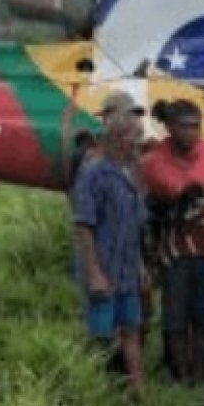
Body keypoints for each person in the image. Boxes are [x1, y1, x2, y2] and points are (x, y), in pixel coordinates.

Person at [140, 98, 204, 383]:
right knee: (175, 317)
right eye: (185, 126)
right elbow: (151, 205)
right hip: (172, 250)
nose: (192, 132)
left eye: (196, 126)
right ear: (169, 127)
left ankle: (199, 376)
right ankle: (179, 376)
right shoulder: (153, 161)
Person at [71, 99, 148, 391]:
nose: (137, 145)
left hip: (128, 270)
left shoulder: (130, 173)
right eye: (133, 139)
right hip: (103, 267)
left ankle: (139, 394)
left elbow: (135, 224)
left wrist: (140, 264)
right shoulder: (93, 173)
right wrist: (94, 272)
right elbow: (83, 225)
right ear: (117, 138)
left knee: (131, 329)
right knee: (100, 335)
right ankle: (92, 391)